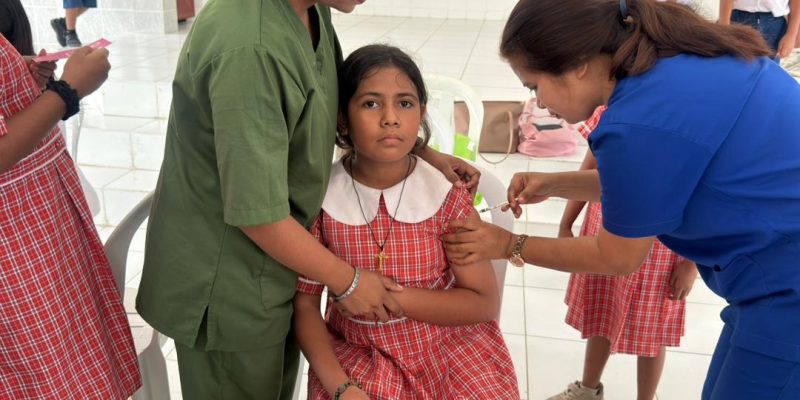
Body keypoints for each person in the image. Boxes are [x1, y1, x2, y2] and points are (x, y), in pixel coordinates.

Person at [442, 0, 800, 399]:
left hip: (788, 292)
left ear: (578, 63)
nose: (539, 103)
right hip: (771, 284)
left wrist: (507, 243)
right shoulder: (692, 64)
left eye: (534, 86)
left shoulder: (636, 121)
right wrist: (554, 184)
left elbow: (618, 256)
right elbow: (654, 180)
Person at [135, 1, 480, 398]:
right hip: (229, 282)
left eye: (405, 104)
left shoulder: (311, 10)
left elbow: (329, 110)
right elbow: (257, 214)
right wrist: (348, 282)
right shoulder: (251, 49)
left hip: (275, 267)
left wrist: (419, 152)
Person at [293, 44, 519, 400]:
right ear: (342, 118)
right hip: (358, 354)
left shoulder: (445, 195)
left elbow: (482, 303)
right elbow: (305, 306)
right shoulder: (321, 201)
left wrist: (388, 298)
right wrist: (341, 387)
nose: (390, 118)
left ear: (421, 114)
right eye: (370, 103)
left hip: (448, 347)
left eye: (405, 103)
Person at [0, 36, 140, 398]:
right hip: (16, 241)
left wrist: (20, 76)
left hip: (37, 226)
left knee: (71, 361)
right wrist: (66, 91)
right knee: (47, 374)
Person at [548, 106, 698, 400]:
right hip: (606, 232)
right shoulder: (611, 109)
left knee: (654, 330)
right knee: (603, 312)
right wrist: (566, 222)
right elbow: (589, 167)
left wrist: (690, 263)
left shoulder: (685, 122)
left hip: (661, 248)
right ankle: (587, 389)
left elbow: (697, 193)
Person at [719, 0, 800, 60]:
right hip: (738, 19)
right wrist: (724, 27)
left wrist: (791, 34)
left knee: (769, 71)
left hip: (775, 25)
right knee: (734, 64)